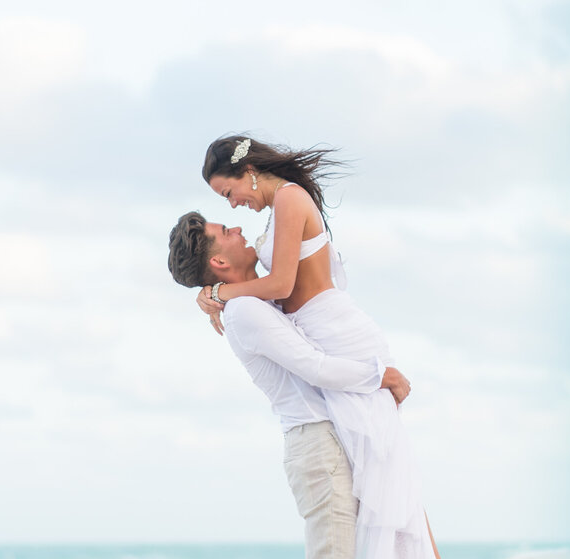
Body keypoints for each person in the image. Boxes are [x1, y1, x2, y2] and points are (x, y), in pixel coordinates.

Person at [194, 135, 440, 559]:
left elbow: (283, 284)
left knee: (390, 483)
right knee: (381, 482)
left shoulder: (290, 198)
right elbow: (270, 290)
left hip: (338, 336)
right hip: (321, 336)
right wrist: (212, 289)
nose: (232, 206)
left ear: (249, 173)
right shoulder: (276, 212)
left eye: (227, 193)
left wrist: (219, 291)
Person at [168, 210, 412, 559]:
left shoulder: (254, 300)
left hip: (331, 439)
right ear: (219, 259)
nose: (238, 228)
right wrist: (382, 376)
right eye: (225, 230)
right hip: (318, 443)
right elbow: (315, 367)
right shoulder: (244, 311)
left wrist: (214, 291)